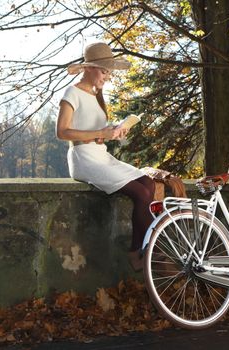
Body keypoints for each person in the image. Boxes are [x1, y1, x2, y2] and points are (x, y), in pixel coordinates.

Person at [56, 42, 155, 271]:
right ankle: (149, 253)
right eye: (104, 71)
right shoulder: (72, 93)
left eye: (109, 72)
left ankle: (137, 250)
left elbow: (96, 134)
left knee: (148, 183)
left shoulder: (96, 96)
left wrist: (113, 132)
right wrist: (101, 133)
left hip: (102, 155)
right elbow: (62, 132)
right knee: (140, 193)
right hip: (84, 159)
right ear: (88, 68)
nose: (107, 77)